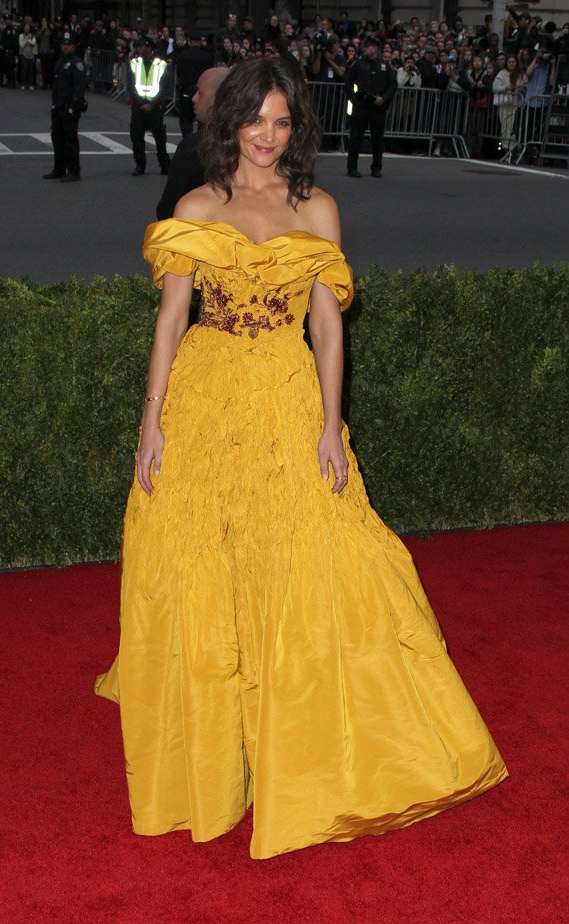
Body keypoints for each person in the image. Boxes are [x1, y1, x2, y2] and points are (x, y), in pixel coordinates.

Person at [95, 56, 508, 861]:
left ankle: (305, 745)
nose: (267, 137)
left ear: (296, 130)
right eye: (255, 121)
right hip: (207, 396)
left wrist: (331, 424)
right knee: (204, 564)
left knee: (310, 556)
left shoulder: (317, 209)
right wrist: (151, 424)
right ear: (231, 123)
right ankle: (217, 749)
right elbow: (171, 322)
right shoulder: (195, 206)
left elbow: (328, 326)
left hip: (286, 395)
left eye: (283, 123)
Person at [156, 67, 228, 220]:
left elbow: (169, 208)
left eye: (200, 93)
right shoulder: (252, 144)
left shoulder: (195, 147)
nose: (194, 98)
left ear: (220, 98)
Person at [345, 35, 397, 178]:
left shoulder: (384, 65)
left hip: (378, 104)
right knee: (356, 136)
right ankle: (352, 167)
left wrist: (384, 98)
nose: (364, 48)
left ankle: (376, 167)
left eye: (367, 46)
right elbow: (347, 81)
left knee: (377, 138)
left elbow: (393, 85)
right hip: (361, 103)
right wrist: (353, 99)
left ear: (375, 48)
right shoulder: (358, 64)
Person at [43, 32, 85, 182]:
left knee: (70, 141)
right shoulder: (59, 62)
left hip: (69, 106)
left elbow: (79, 89)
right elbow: (56, 87)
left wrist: (73, 107)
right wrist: (54, 105)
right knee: (57, 139)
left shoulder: (77, 64)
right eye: (63, 44)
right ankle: (59, 168)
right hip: (58, 106)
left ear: (73, 46)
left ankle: (74, 171)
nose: (65, 47)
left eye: (68, 44)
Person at [128, 36, 170, 177]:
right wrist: (140, 103)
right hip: (139, 106)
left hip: (155, 107)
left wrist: (152, 104)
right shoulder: (134, 63)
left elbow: (164, 88)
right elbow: (131, 86)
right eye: (138, 47)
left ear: (150, 48)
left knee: (159, 137)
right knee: (137, 136)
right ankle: (140, 164)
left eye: (143, 46)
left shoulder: (160, 65)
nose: (140, 49)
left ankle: (164, 164)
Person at [174, 31, 213, 137]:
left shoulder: (182, 56)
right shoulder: (207, 57)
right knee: (202, 118)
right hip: (202, 91)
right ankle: (199, 140)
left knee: (186, 119)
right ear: (200, 42)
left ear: (189, 42)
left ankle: (187, 140)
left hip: (186, 89)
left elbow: (179, 73)